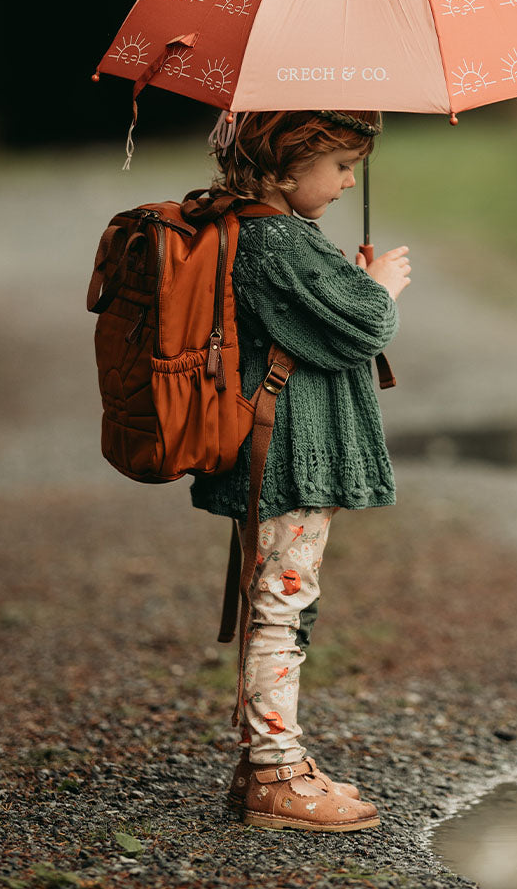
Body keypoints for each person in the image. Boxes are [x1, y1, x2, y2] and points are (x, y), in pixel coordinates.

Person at [191, 108, 410, 833]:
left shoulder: (269, 233)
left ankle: (269, 760)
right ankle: (275, 774)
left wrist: (347, 284)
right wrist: (377, 286)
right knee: (281, 608)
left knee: (280, 601)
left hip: (278, 450)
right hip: (285, 455)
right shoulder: (274, 239)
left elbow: (317, 318)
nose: (351, 180)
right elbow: (361, 326)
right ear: (287, 165)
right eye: (341, 163)